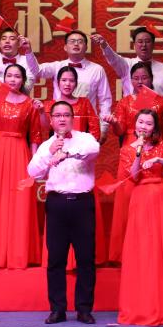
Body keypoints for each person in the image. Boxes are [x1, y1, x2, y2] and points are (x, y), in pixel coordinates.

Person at [27, 100, 101, 325]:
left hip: (82, 203)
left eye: (66, 115)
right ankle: (57, 309)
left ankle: (84, 309)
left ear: (72, 118)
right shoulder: (46, 145)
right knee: (56, 259)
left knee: (86, 259)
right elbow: (33, 172)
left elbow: (93, 151)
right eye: (57, 115)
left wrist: (67, 153)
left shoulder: (85, 138)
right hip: (57, 204)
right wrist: (49, 154)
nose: (62, 119)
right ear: (51, 120)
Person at [117, 109, 163, 326]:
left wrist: (158, 159)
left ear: (154, 128)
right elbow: (133, 176)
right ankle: (141, 306)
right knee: (143, 249)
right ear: (135, 124)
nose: (143, 127)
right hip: (141, 198)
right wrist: (138, 153)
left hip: (161, 198)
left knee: (162, 249)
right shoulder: (127, 149)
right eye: (140, 122)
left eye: (148, 124)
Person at [0, 65, 43, 269]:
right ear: (4, 78)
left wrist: (34, 165)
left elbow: (35, 136)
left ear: (23, 80)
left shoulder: (30, 104)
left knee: (19, 200)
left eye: (17, 76)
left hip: (20, 152)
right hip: (0, 151)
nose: (13, 79)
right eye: (9, 76)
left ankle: (18, 252)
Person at [106, 61, 163, 263]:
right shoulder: (125, 102)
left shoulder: (161, 102)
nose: (140, 81)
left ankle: (151, 251)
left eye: (144, 77)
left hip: (154, 149)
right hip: (131, 148)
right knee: (127, 199)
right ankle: (124, 253)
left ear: (151, 79)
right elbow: (119, 131)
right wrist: (114, 123)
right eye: (135, 78)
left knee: (150, 201)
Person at [38, 66, 107, 267]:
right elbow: (44, 128)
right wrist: (41, 113)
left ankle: (82, 261)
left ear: (76, 83)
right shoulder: (50, 105)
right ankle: (60, 261)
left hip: (80, 160)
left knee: (83, 212)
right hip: (58, 157)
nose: (67, 84)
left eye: (71, 80)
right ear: (57, 82)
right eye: (64, 80)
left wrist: (84, 149)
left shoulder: (84, 103)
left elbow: (94, 131)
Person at [25, 30, 113, 132]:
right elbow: (36, 71)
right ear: (65, 47)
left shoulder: (97, 69)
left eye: (80, 41)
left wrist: (104, 127)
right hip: (58, 125)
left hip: (86, 126)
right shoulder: (57, 66)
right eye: (72, 41)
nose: (76, 44)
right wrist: (28, 51)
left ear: (86, 47)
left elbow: (105, 100)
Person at [92, 27, 163, 109]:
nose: (144, 45)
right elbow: (113, 58)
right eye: (140, 42)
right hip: (130, 115)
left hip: (157, 117)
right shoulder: (127, 65)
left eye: (147, 41)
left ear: (153, 45)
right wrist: (104, 45)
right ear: (134, 45)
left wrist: (160, 111)